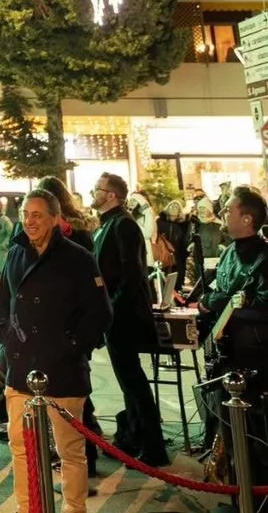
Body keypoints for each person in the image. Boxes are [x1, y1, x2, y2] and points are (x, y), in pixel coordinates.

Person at [0, 190, 112, 513]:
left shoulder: (77, 258)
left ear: (54, 218)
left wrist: (71, 346)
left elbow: (100, 313)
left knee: (70, 450)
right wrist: (8, 335)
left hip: (62, 369)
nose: (29, 221)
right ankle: (28, 508)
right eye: (25, 214)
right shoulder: (15, 252)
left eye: (37, 215)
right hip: (20, 367)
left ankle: (74, 508)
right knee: (20, 447)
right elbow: (4, 301)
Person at [192, 188, 268, 499]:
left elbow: (263, 308)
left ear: (248, 219)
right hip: (224, 355)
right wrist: (209, 301)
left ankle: (255, 497)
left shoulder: (264, 259)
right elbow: (215, 289)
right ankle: (238, 493)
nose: (224, 214)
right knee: (230, 433)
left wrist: (227, 304)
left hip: (253, 361)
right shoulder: (228, 252)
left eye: (230, 211)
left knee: (253, 436)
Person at [90, 172, 169, 466]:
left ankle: (153, 447)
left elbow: (132, 276)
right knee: (129, 383)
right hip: (116, 316)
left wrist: (111, 309)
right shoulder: (109, 224)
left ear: (111, 195)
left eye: (97, 189)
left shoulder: (122, 225)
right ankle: (136, 438)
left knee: (134, 382)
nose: (92, 192)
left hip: (123, 319)